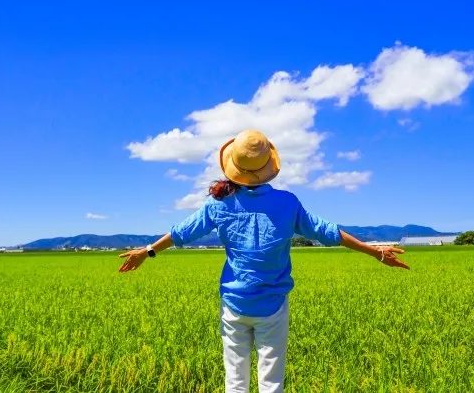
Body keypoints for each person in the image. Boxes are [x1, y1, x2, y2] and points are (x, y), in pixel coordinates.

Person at [118, 129, 409, 393]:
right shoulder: (287, 203)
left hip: (234, 304)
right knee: (271, 383)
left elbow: (181, 233)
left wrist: (147, 251)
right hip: (273, 306)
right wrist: (375, 252)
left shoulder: (218, 205)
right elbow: (328, 232)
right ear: (267, 166)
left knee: (235, 382)